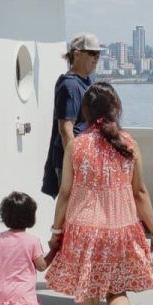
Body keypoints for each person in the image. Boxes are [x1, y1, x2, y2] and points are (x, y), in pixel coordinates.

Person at [46, 82, 153, 305]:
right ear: (116, 108)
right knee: (118, 290)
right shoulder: (128, 143)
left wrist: (56, 231)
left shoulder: (76, 145)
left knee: (88, 298)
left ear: (85, 111)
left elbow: (64, 192)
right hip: (122, 226)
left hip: (84, 228)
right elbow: (140, 193)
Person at [41, 33, 102, 199]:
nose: (96, 58)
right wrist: (76, 163)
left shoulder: (86, 83)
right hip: (74, 161)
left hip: (84, 158)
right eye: (91, 53)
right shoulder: (70, 85)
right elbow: (66, 128)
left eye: (98, 54)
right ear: (76, 53)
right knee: (73, 210)